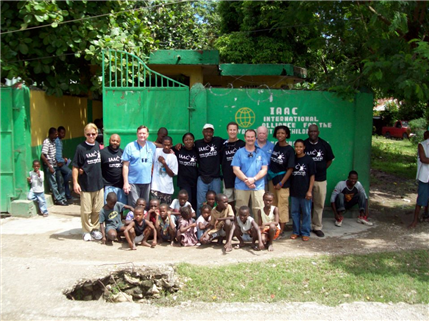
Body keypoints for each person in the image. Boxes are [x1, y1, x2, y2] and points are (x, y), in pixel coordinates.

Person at [72, 123, 104, 241]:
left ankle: (95, 229)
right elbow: (75, 166)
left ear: (96, 134)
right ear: (85, 134)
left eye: (93, 134)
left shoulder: (98, 146)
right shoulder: (80, 148)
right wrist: (75, 183)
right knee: (86, 211)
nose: (91, 136)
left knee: (97, 209)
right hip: (85, 184)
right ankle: (86, 230)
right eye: (88, 134)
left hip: (98, 184)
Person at [304, 124, 335, 237]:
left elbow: (330, 160)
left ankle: (317, 226)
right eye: (310, 131)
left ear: (318, 132)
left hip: (320, 179)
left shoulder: (324, 145)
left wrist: (321, 168)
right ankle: (306, 226)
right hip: (305, 179)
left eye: (314, 131)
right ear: (308, 132)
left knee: (319, 203)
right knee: (306, 204)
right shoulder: (304, 144)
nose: (312, 133)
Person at [232, 129, 268, 222]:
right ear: (244, 138)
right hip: (242, 186)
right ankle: (239, 232)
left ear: (255, 138)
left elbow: (264, 169)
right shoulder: (239, 153)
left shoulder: (261, 153)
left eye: (252, 137)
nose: (250, 139)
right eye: (248, 137)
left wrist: (254, 179)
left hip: (258, 186)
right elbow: (236, 170)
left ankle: (258, 232)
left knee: (259, 210)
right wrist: (247, 180)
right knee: (240, 210)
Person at [268, 125, 295, 236]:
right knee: (273, 204)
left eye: (282, 133)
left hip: (282, 182)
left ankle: (282, 229)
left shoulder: (289, 150)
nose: (280, 135)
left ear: (287, 135)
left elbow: (290, 169)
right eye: (278, 133)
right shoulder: (276, 146)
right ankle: (274, 227)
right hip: (273, 180)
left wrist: (281, 183)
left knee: (282, 205)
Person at [122, 125, 156, 207]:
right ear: (137, 134)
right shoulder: (130, 146)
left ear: (147, 134)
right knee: (135, 205)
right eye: (140, 133)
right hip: (133, 182)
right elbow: (125, 166)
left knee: (145, 205)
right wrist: (126, 183)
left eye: (144, 133)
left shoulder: (152, 146)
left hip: (147, 181)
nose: (142, 135)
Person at [194, 124, 224, 215]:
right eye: (206, 131)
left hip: (215, 177)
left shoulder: (218, 141)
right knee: (201, 203)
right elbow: (188, 147)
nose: (208, 133)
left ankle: (217, 221)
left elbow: (231, 142)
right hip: (202, 177)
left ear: (213, 133)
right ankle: (201, 222)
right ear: (203, 132)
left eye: (210, 131)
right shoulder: (197, 143)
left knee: (217, 202)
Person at [290, 139, 316, 241]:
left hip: (305, 192)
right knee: (294, 213)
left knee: (306, 212)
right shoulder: (293, 159)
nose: (298, 149)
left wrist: (309, 191)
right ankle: (296, 231)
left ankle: (305, 232)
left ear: (304, 147)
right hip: (294, 191)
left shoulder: (309, 160)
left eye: (300, 147)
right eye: (296, 146)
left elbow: (312, 176)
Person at [41, 127, 68, 206]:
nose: (57, 135)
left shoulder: (53, 142)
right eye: (55, 134)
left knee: (60, 181)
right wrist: (49, 166)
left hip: (55, 164)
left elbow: (53, 154)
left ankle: (62, 197)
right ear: (51, 134)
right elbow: (43, 155)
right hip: (50, 166)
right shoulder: (47, 142)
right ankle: (58, 199)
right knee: (54, 183)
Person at [222, 122, 245, 209]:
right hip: (227, 177)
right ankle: (231, 219)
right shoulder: (223, 145)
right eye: (230, 130)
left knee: (240, 200)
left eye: (234, 130)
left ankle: (240, 220)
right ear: (227, 131)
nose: (232, 132)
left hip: (240, 178)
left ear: (237, 131)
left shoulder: (242, 144)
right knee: (228, 200)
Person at [174, 132, 199, 211]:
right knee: (186, 201)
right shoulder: (179, 150)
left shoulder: (196, 151)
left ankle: (193, 219)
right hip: (183, 181)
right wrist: (176, 146)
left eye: (190, 139)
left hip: (195, 181)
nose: (189, 141)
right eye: (186, 140)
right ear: (183, 141)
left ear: (193, 141)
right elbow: (166, 148)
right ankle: (185, 219)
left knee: (194, 201)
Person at [409, 130, 429, 228]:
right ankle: (415, 220)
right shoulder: (422, 145)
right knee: (421, 199)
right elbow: (423, 159)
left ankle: (425, 215)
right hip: (424, 176)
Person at [150, 136, 178, 205]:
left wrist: (164, 163)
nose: (166, 147)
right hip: (155, 187)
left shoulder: (173, 157)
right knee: (155, 209)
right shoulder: (157, 151)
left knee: (165, 210)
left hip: (167, 189)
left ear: (171, 145)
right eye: (164, 145)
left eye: (168, 145)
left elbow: (172, 174)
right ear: (162, 144)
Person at [100, 134, 127, 204]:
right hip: (108, 186)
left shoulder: (123, 153)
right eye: (113, 140)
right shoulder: (102, 153)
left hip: (120, 186)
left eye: (117, 141)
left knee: (121, 209)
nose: (115, 142)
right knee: (109, 208)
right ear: (109, 141)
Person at [55, 126, 72, 202]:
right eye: (61, 132)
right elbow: (53, 152)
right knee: (69, 172)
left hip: (62, 162)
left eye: (64, 133)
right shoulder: (56, 141)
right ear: (58, 133)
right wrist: (57, 162)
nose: (63, 134)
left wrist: (64, 158)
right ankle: (65, 193)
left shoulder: (60, 141)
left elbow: (60, 153)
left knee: (66, 178)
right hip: (58, 164)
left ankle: (68, 195)